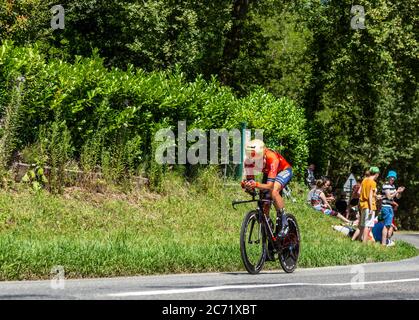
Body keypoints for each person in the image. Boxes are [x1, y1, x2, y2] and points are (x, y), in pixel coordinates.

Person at [241, 139, 293, 238]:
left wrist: (255, 184)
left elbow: (270, 186)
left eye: (259, 159)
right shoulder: (248, 161)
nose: (256, 162)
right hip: (269, 173)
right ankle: (269, 230)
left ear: (264, 153)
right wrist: (248, 186)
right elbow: (251, 183)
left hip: (283, 171)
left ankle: (284, 221)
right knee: (264, 203)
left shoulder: (272, 157)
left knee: (273, 191)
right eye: (254, 160)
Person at [351, 167, 380, 244]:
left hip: (362, 205)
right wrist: (371, 208)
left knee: (362, 224)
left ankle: (356, 240)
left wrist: (374, 196)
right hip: (369, 206)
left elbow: (360, 193)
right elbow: (370, 196)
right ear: (376, 174)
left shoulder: (364, 180)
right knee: (368, 225)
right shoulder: (373, 182)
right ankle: (364, 243)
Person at [380, 170, 405, 246]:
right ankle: (383, 244)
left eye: (394, 177)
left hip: (390, 207)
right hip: (386, 207)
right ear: (388, 177)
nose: (393, 179)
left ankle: (386, 242)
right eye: (391, 177)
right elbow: (389, 197)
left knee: (389, 225)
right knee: (386, 225)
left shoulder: (393, 186)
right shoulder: (386, 185)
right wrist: (397, 191)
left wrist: (400, 192)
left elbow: (397, 197)